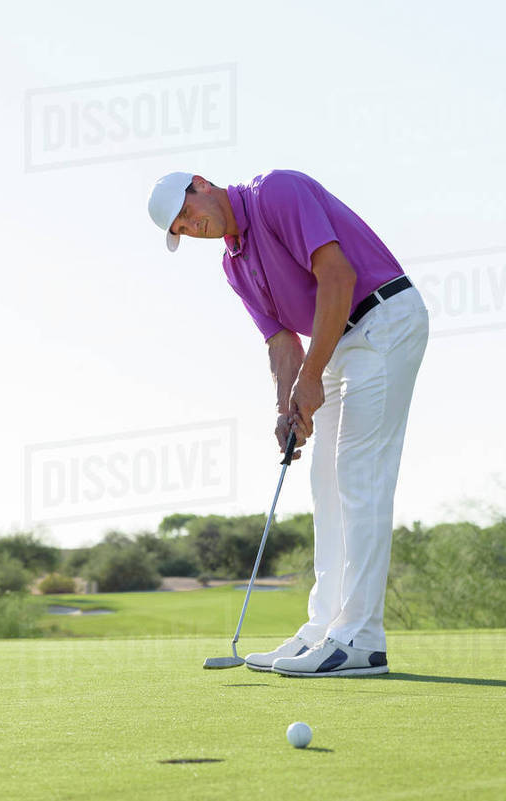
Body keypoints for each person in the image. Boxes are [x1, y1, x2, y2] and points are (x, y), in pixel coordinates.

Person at [146, 170, 428, 677]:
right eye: (183, 230)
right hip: (339, 343)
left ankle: (361, 639)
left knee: (358, 476)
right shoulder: (235, 267)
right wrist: (287, 408)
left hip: (382, 319)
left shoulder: (276, 192)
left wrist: (312, 378)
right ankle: (324, 629)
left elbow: (337, 277)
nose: (193, 226)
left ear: (202, 184)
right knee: (326, 483)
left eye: (189, 213)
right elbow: (282, 346)